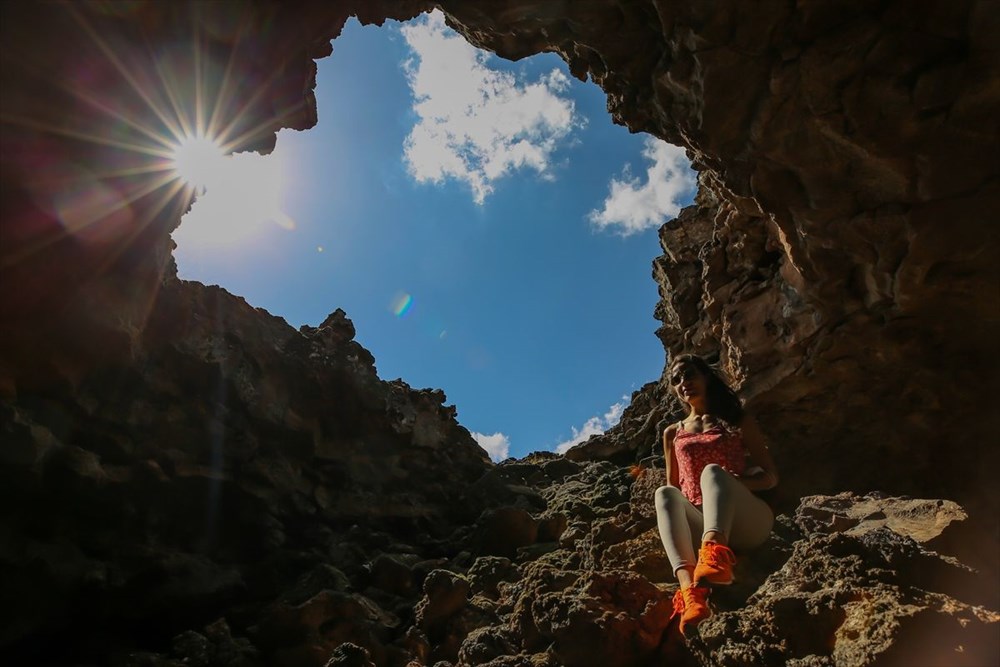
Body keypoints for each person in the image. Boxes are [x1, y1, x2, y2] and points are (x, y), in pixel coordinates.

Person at [655, 354, 779, 634]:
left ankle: (715, 553)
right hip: (701, 520)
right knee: (664, 494)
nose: (683, 383)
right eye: (676, 380)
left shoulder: (736, 419)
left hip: (748, 521)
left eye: (689, 375)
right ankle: (692, 596)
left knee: (712, 472)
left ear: (706, 377)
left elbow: (771, 478)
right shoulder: (672, 433)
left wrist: (734, 482)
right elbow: (675, 488)